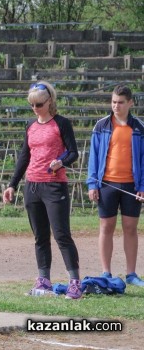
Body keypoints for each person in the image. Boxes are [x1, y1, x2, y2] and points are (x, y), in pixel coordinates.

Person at [3, 81, 82, 299]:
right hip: (33, 185)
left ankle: (75, 282)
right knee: (40, 237)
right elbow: (24, 157)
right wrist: (12, 184)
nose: (35, 109)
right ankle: (43, 280)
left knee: (61, 235)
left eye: (39, 104)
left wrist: (61, 161)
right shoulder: (30, 126)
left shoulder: (61, 124)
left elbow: (73, 153)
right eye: (32, 105)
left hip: (55, 185)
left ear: (50, 102)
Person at [87, 85, 144, 286]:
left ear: (130, 103)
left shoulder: (139, 127)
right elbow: (93, 156)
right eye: (113, 102)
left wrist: (143, 186)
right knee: (106, 226)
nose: (116, 106)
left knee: (130, 227)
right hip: (106, 184)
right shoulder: (101, 126)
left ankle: (131, 274)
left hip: (132, 185)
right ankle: (106, 272)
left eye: (120, 102)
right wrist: (92, 184)